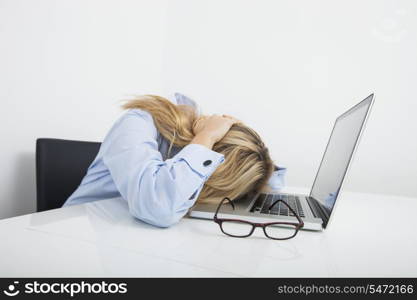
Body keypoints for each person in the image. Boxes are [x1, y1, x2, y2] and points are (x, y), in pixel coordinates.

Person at [63, 93, 285, 227]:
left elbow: (273, 184)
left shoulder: (189, 149)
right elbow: (158, 207)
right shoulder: (138, 121)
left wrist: (259, 158)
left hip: (125, 231)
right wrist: (206, 137)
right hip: (74, 232)